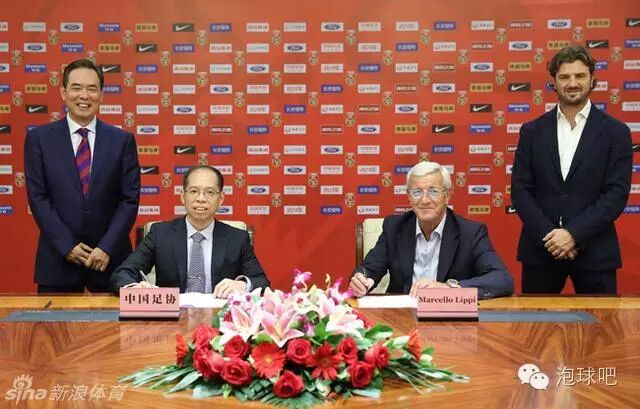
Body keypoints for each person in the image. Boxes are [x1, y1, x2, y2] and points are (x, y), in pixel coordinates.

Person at [511, 45, 632, 294]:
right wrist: (551, 236)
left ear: (592, 80)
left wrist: (573, 234)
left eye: (580, 76)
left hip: (595, 252)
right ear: (554, 82)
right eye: (565, 77)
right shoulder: (532, 131)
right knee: (534, 320)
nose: (573, 83)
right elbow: (520, 190)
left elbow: (616, 194)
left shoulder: (616, 132)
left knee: (602, 321)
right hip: (541, 250)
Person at [24, 59, 140, 293]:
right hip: (58, 261)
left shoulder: (122, 141)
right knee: (54, 319)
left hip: (110, 262)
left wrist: (106, 247)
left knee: (116, 320)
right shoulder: (39, 139)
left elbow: (129, 200)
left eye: (92, 89)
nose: (84, 96)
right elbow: (38, 199)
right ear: (63, 92)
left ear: (101, 95)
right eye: (76, 88)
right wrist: (67, 246)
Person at [349, 161, 514, 299]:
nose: (425, 200)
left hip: (448, 319)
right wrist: (362, 279)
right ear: (409, 197)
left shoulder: (470, 233)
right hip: (402, 316)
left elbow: (502, 280)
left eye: (433, 191)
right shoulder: (395, 227)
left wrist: (449, 289)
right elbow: (369, 268)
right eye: (417, 192)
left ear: (447, 196)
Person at [111, 165, 270, 298]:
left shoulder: (237, 238)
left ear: (221, 199)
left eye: (209, 192)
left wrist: (242, 285)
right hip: (172, 318)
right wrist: (135, 289)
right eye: (194, 191)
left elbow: (261, 282)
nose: (201, 199)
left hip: (218, 317)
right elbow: (122, 273)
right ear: (183, 196)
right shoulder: (160, 234)